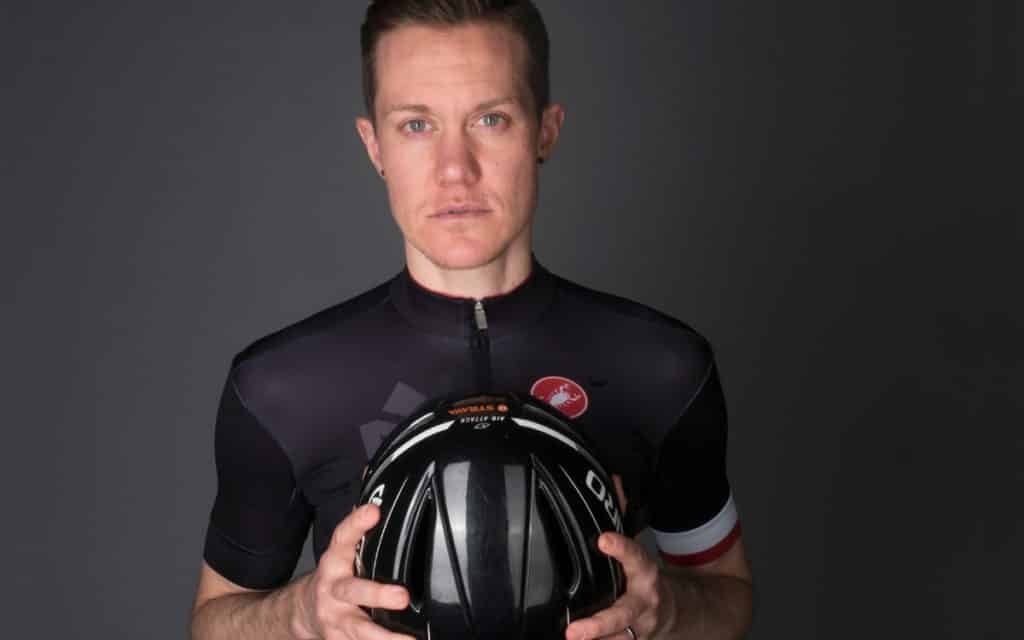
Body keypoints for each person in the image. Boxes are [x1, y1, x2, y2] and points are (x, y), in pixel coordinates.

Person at [190, 1, 753, 639]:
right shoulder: (281, 389)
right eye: (416, 125)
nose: (455, 169)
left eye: (490, 118)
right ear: (374, 144)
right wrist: (298, 615)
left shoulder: (662, 368)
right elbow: (215, 621)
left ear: (545, 130)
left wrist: (671, 610)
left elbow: (727, 596)